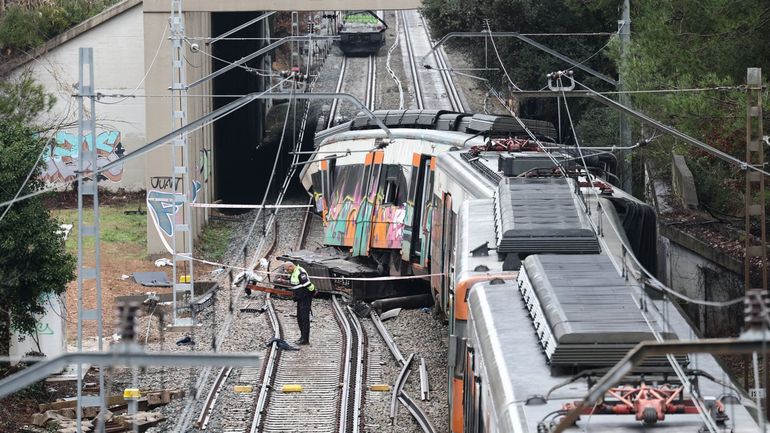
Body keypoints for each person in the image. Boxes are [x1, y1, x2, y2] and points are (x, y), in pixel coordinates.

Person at [284, 261, 315, 345]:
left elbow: (308, 284)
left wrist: (312, 292)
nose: (287, 271)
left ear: (291, 267)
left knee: (304, 319)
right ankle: (302, 337)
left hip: (305, 298)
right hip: (299, 298)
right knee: (299, 318)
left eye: (287, 270)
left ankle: (305, 339)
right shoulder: (293, 272)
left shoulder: (300, 272)